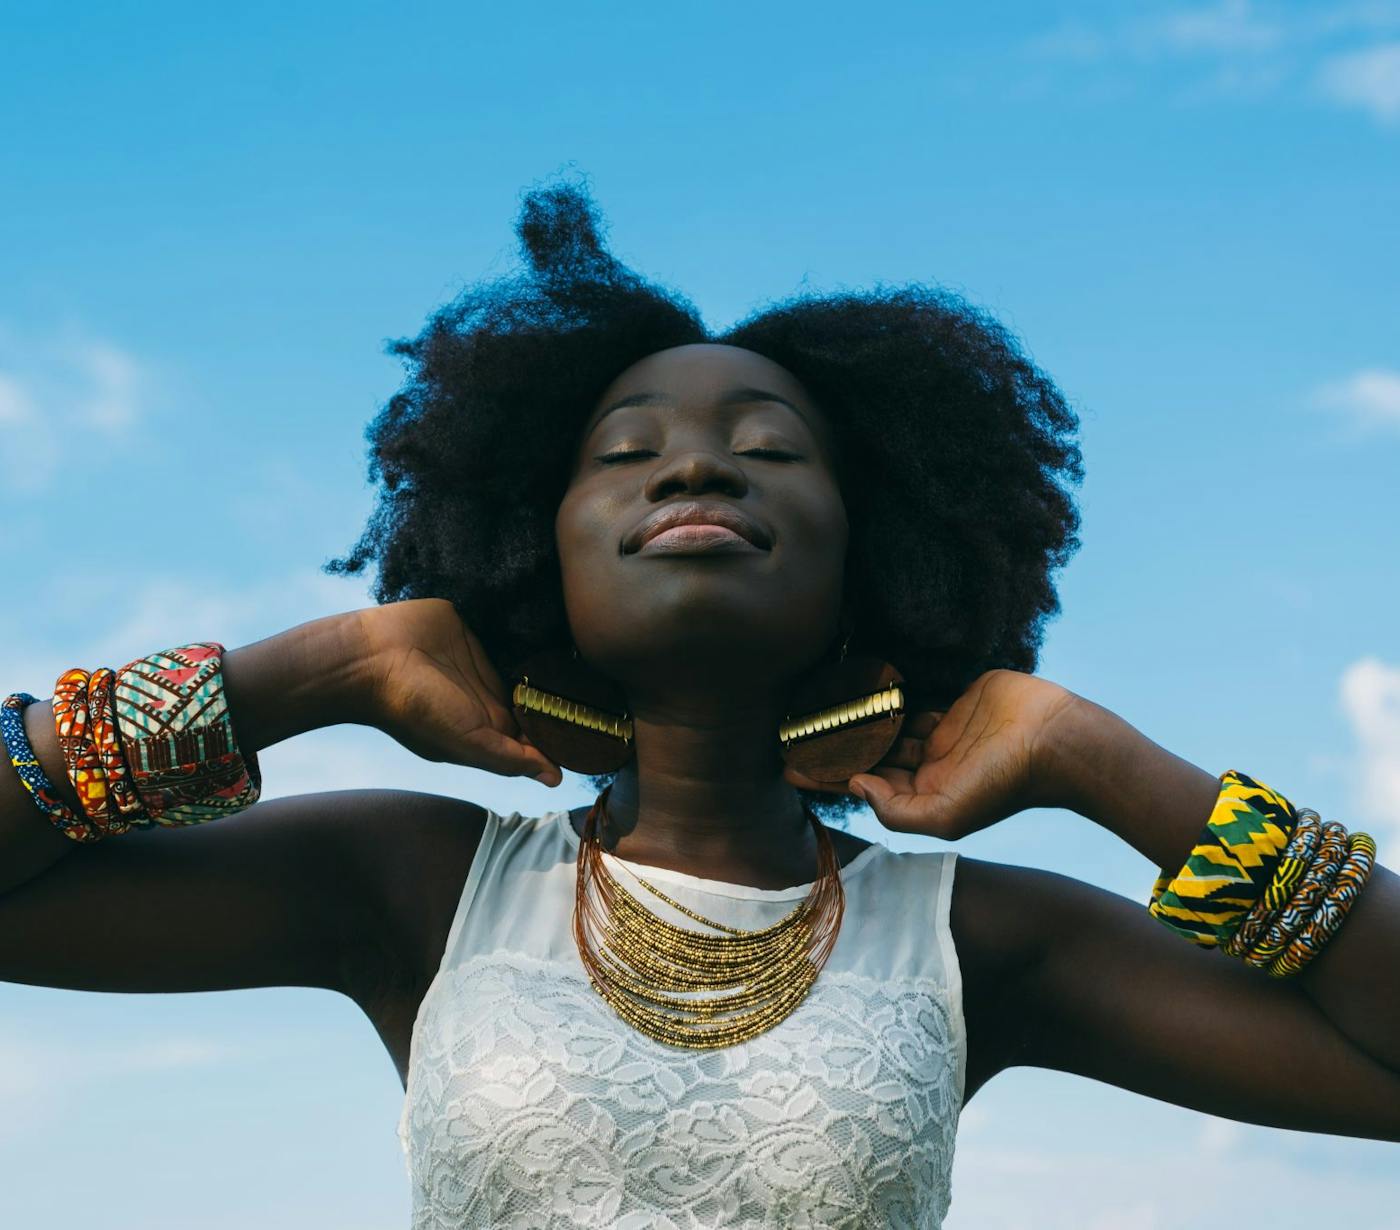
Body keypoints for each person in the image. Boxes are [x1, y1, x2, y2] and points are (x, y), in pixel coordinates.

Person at [2, 183, 1396, 1230]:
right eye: (627, 452)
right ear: (532, 550)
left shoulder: (974, 937)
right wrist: (311, 672)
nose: (695, 471)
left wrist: (1101, 762)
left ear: (875, 556)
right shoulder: (418, 884)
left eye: (769, 449)